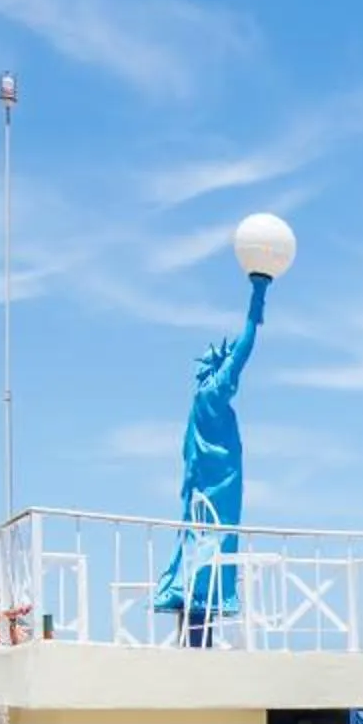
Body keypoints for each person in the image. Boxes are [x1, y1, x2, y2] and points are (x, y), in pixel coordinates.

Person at [149, 273, 272, 643]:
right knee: (211, 553)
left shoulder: (200, 401)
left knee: (202, 548)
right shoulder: (215, 394)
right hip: (218, 488)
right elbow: (243, 350)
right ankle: (198, 638)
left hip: (205, 487)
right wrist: (258, 296)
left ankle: (195, 636)